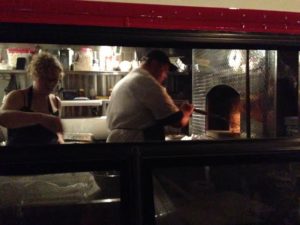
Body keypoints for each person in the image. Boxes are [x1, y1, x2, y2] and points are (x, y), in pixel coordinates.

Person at [106, 49, 194, 142]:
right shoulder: (146, 81)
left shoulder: (131, 78)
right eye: (165, 70)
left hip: (118, 140)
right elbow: (176, 121)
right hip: (134, 142)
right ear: (154, 64)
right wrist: (186, 112)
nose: (165, 76)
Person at [0, 52, 64, 146]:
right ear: (35, 75)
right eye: (45, 79)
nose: (50, 84)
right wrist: (42, 118)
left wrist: (61, 139)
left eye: (54, 80)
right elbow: (2, 118)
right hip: (20, 158)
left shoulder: (56, 102)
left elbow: (57, 135)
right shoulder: (18, 97)